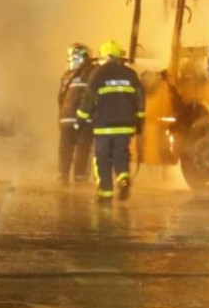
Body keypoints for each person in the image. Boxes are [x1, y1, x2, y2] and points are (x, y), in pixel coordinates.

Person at [76, 40, 144, 203]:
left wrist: (81, 119)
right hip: (125, 126)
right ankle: (123, 178)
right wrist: (139, 121)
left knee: (102, 158)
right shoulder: (130, 74)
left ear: (104, 56)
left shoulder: (98, 73)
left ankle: (105, 194)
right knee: (121, 154)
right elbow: (140, 100)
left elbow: (88, 99)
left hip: (104, 126)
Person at [57, 42, 96, 185]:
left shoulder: (66, 76)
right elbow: (93, 95)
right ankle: (80, 179)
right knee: (83, 148)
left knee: (65, 148)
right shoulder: (92, 72)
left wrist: (62, 116)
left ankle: (62, 176)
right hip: (84, 119)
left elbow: (60, 99)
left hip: (65, 119)